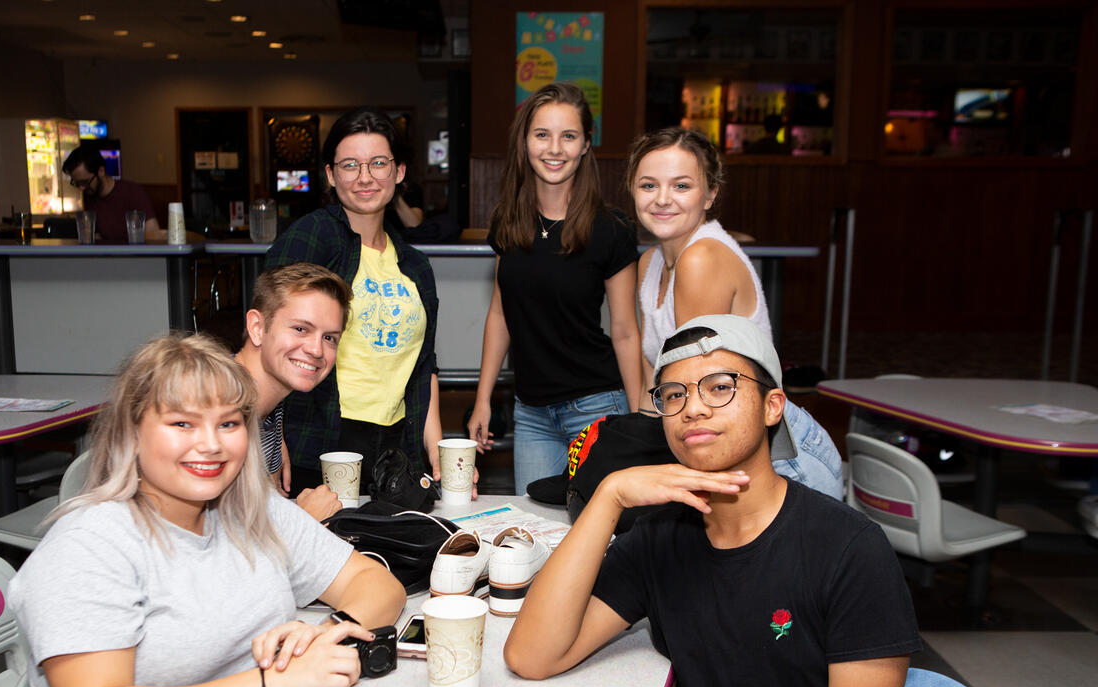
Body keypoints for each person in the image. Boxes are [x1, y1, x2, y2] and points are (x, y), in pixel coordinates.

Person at [504, 315, 931, 687]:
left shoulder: (848, 548)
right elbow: (533, 656)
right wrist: (609, 497)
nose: (694, 408)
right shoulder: (661, 537)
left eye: (721, 387)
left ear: (773, 406)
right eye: (674, 395)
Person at [0, 333, 406, 687]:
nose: (210, 444)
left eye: (229, 423)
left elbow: (376, 585)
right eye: (182, 423)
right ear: (132, 431)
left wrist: (317, 636)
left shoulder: (255, 510)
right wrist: (269, 684)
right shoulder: (91, 543)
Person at [627, 126, 843, 499]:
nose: (662, 199)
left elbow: (699, 385)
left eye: (681, 186)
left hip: (778, 456)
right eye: (648, 185)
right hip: (717, 441)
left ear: (710, 194)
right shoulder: (650, 263)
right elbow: (656, 378)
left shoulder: (701, 258)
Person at [467, 82, 642, 493]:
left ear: (585, 145)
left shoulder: (611, 229)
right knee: (538, 539)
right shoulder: (508, 220)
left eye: (569, 136)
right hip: (530, 413)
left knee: (598, 538)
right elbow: (500, 313)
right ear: (525, 141)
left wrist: (637, 419)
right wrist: (482, 399)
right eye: (542, 134)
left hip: (597, 406)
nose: (554, 148)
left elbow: (625, 330)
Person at [265, 107, 442, 492]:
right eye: (350, 165)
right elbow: (266, 338)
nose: (365, 177)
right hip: (322, 440)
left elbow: (424, 365)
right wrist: (268, 434)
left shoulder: (415, 265)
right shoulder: (313, 238)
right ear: (331, 174)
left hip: (396, 446)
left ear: (399, 172)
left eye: (378, 163)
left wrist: (435, 447)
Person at [236, 261, 353, 520]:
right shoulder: (218, 410)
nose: (316, 350)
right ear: (257, 327)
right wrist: (304, 519)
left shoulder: (268, 402)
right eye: (300, 329)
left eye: (329, 338)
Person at [63, 145, 160, 242]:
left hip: (135, 255)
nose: (81, 188)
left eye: (85, 182)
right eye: (77, 183)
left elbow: (153, 233)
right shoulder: (90, 198)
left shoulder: (132, 192)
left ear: (101, 171)